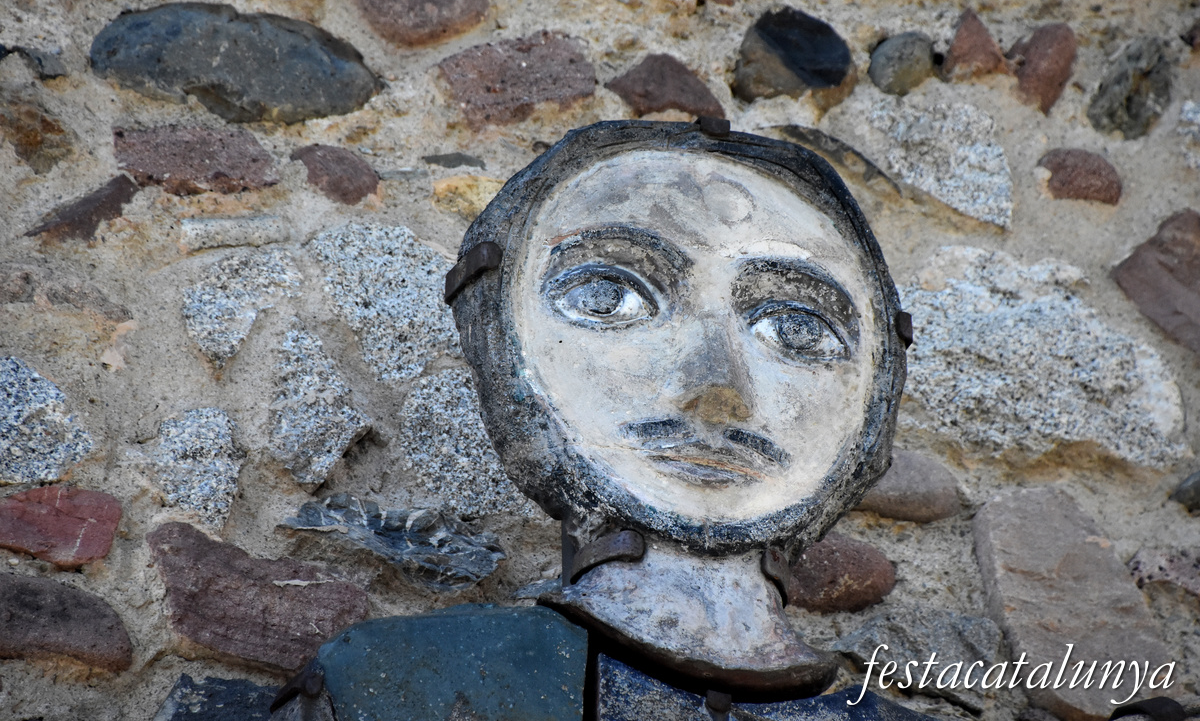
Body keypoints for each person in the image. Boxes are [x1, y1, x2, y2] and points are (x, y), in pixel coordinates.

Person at [271, 120, 918, 721]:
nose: (718, 395)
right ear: (503, 328)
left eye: (798, 328)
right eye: (608, 297)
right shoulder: (391, 685)